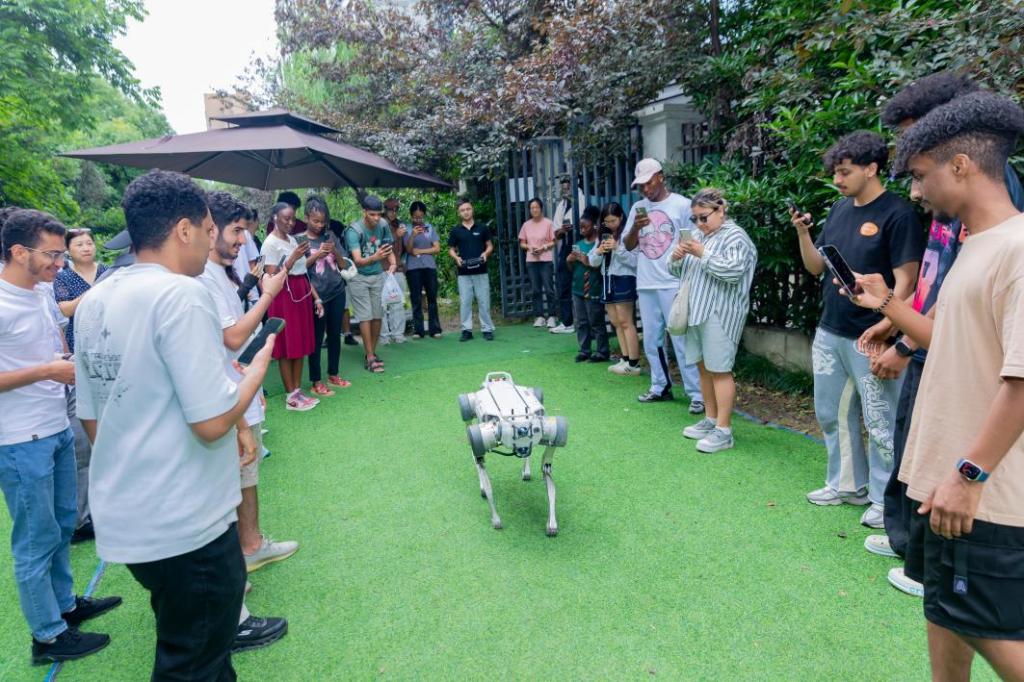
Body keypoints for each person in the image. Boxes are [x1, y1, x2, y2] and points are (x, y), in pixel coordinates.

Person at [844, 90, 1024, 682]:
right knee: (943, 611)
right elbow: (948, 340)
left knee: (992, 634)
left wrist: (970, 476)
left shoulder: (1018, 249)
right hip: (941, 483)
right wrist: (887, 304)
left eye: (921, 176)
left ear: (962, 165)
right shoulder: (975, 243)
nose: (916, 192)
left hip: (983, 496)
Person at [1, 209, 121, 666]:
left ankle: (66, 605)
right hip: (18, 439)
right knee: (35, 538)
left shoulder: (41, 291)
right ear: (19, 252)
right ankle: (47, 636)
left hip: (56, 424)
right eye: (52, 255)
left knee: (63, 521)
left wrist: (65, 363)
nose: (60, 263)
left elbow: (54, 347)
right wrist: (48, 370)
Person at [790, 131, 923, 528]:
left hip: (873, 336)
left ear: (871, 168)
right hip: (831, 329)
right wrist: (802, 232)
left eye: (845, 172)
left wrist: (886, 327)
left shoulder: (899, 214)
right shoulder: (839, 210)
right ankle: (847, 484)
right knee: (830, 412)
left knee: (881, 420)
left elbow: (908, 283)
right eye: (835, 172)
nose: (837, 179)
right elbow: (816, 267)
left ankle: (885, 501)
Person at [197, 192, 292, 651]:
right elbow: (232, 336)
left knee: (244, 478)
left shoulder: (220, 272)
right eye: (235, 231)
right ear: (206, 228)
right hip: (225, 399)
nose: (242, 240)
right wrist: (270, 293)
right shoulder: (200, 277)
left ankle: (249, 548)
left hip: (238, 392)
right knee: (227, 488)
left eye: (244, 230)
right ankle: (233, 573)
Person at [669, 189, 757, 453]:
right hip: (696, 311)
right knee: (703, 368)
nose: (699, 224)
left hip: (721, 313)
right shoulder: (697, 236)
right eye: (695, 218)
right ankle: (710, 419)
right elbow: (676, 271)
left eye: (703, 217)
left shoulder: (736, 236)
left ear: (721, 210)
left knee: (720, 370)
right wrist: (676, 257)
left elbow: (732, 272)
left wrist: (702, 253)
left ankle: (724, 430)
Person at [622, 158, 704, 411]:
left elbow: (694, 241)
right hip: (646, 283)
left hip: (673, 282)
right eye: (641, 186)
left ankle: (697, 394)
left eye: (649, 183)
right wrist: (636, 228)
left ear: (660, 177)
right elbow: (628, 245)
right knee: (651, 340)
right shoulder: (638, 207)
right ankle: (660, 386)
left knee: (681, 338)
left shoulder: (681, 205)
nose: (645, 189)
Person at [261, 202, 324, 410]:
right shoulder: (269, 243)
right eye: (286, 218)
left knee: (300, 343)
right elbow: (271, 275)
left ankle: (297, 391)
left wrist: (316, 298)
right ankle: (290, 396)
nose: (290, 222)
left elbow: (302, 270)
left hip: (300, 291)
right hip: (283, 295)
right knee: (287, 344)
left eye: (293, 219)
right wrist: (293, 258)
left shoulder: (292, 239)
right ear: (275, 218)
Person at [304, 196, 351, 395]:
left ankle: (333, 374)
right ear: (306, 217)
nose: (319, 225)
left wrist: (334, 251)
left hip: (337, 291)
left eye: (323, 221)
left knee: (334, 335)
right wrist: (317, 255)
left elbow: (344, 265)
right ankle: (316, 381)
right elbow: (298, 269)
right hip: (317, 296)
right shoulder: (300, 240)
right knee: (315, 339)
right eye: (315, 221)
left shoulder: (330, 235)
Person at [344, 195, 397, 371]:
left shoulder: (383, 225)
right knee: (365, 316)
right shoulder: (354, 231)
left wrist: (393, 263)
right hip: (358, 277)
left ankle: (371, 353)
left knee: (377, 315)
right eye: (372, 214)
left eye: (378, 214)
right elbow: (358, 260)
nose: (376, 218)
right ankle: (370, 356)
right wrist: (375, 257)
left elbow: (387, 247)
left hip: (377, 275)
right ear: (364, 212)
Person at [590, 202, 641, 376]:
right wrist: (598, 251)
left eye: (613, 220)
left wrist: (617, 248)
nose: (610, 224)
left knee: (626, 322)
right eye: (607, 221)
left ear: (621, 217)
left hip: (624, 278)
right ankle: (625, 359)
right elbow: (593, 262)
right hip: (607, 278)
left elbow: (635, 262)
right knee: (615, 322)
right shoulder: (602, 234)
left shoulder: (628, 234)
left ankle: (634, 363)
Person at [448, 198, 495, 341]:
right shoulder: (456, 231)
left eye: (468, 209)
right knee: (465, 302)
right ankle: (466, 330)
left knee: (484, 301)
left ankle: (487, 329)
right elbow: (451, 249)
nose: (466, 212)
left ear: (472, 210)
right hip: (464, 272)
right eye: (462, 210)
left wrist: (485, 253)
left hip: (481, 270)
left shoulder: (482, 228)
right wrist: (456, 258)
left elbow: (490, 245)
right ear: (459, 213)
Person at [53, 228, 107, 353]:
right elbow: (66, 310)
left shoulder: (107, 271)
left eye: (89, 243)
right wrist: (93, 292)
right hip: (79, 337)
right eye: (79, 245)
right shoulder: (62, 277)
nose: (86, 248)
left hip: (108, 333)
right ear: (67, 250)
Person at [567, 206, 609, 362]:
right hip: (577, 289)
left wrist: (587, 261)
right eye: (581, 227)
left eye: (585, 227)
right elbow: (571, 269)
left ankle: (602, 351)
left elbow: (599, 266)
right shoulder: (578, 244)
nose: (582, 230)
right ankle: (584, 350)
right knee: (581, 322)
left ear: (594, 226)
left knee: (596, 321)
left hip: (594, 288)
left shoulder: (599, 245)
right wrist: (568, 261)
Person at [550, 177, 586, 334]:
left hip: (582, 244)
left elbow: (589, 225)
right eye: (563, 189)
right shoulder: (561, 206)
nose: (565, 191)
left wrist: (576, 227)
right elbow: (556, 233)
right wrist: (563, 230)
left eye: (567, 188)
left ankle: (586, 322)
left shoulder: (583, 200)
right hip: (566, 245)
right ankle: (567, 322)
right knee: (563, 283)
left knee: (584, 282)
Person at [404, 200, 442, 338]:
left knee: (432, 298)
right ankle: (418, 330)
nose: (418, 220)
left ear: (424, 215)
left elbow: (437, 248)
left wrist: (421, 250)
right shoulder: (407, 229)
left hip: (429, 267)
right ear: (411, 215)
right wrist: (413, 235)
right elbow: (409, 250)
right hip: (413, 268)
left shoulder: (430, 228)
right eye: (416, 217)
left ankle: (435, 329)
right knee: (416, 299)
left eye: (421, 217)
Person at [519, 198, 558, 328]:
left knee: (549, 289)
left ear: (541, 208)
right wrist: (529, 247)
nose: (534, 210)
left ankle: (552, 316)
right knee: (535, 290)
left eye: (536, 207)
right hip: (531, 261)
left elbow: (554, 241)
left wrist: (543, 247)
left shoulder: (548, 223)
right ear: (529, 210)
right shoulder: (526, 225)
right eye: (532, 208)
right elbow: (522, 243)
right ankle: (539, 316)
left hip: (545, 260)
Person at [381, 197, 408, 344]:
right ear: (385, 209)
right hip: (382, 269)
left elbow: (405, 248)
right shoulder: (379, 223)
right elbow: (381, 244)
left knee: (397, 302)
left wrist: (408, 236)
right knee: (383, 303)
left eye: (396, 209)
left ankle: (398, 334)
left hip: (398, 268)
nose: (394, 212)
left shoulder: (399, 224)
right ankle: (384, 336)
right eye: (391, 209)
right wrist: (396, 235)